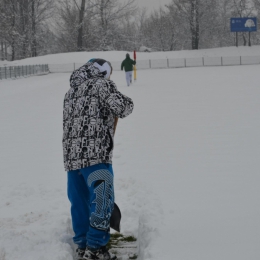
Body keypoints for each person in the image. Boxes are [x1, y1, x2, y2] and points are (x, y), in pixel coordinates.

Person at [62, 58, 134, 260]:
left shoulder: (70, 92)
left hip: (72, 158)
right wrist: (123, 100)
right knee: (102, 199)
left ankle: (83, 244)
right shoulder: (101, 84)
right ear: (103, 71)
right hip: (96, 156)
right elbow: (123, 107)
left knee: (80, 201)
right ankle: (96, 249)